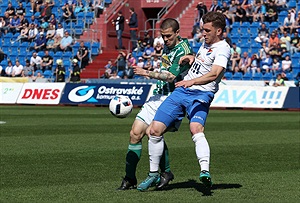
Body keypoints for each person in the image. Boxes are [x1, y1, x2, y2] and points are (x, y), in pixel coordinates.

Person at [137, 11, 230, 191]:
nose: (203, 33)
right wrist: (192, 58)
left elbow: (215, 73)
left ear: (219, 31)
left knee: (196, 129)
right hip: (183, 90)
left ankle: (205, 171)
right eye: (203, 29)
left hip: (201, 93)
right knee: (154, 130)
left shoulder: (223, 49)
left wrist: (191, 80)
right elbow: (204, 63)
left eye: (207, 30)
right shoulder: (207, 43)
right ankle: (153, 174)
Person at [117, 18, 192, 190]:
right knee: (135, 133)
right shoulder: (167, 46)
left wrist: (147, 73)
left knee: (153, 133)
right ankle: (130, 178)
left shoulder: (183, 50)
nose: (165, 40)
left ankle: (165, 172)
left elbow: (172, 77)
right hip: (157, 95)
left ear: (177, 33)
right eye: (163, 36)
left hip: (173, 97)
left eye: (168, 36)